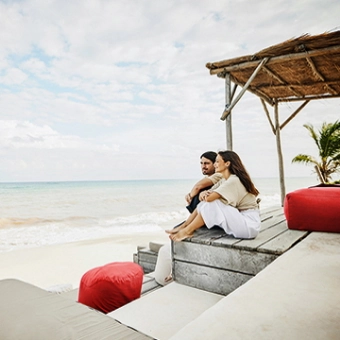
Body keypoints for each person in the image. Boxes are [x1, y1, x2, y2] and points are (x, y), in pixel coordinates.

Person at [167, 150, 261, 242]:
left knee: (212, 202)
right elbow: (203, 197)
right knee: (204, 203)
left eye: (217, 161)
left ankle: (187, 231)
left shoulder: (234, 180)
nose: (215, 164)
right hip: (240, 220)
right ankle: (185, 226)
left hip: (249, 225)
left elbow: (209, 198)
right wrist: (202, 194)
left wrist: (204, 195)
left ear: (227, 164)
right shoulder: (224, 180)